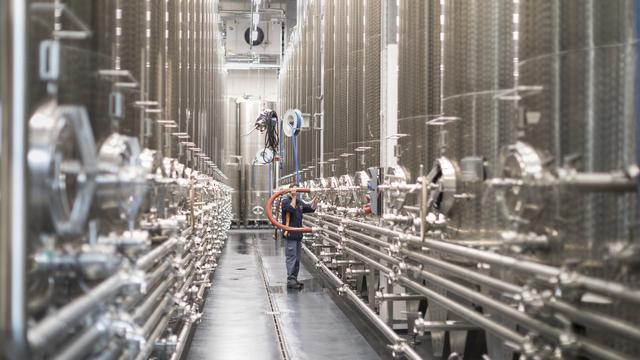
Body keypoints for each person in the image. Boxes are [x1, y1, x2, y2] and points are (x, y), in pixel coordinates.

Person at [281, 184, 318, 289]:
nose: (297, 193)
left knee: (297, 258)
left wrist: (316, 198)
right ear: (290, 191)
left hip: (298, 235)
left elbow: (311, 209)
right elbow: (291, 210)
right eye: (295, 191)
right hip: (290, 234)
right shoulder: (286, 201)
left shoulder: (299, 202)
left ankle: (294, 279)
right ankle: (290, 280)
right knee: (291, 258)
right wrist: (293, 197)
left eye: (298, 191)